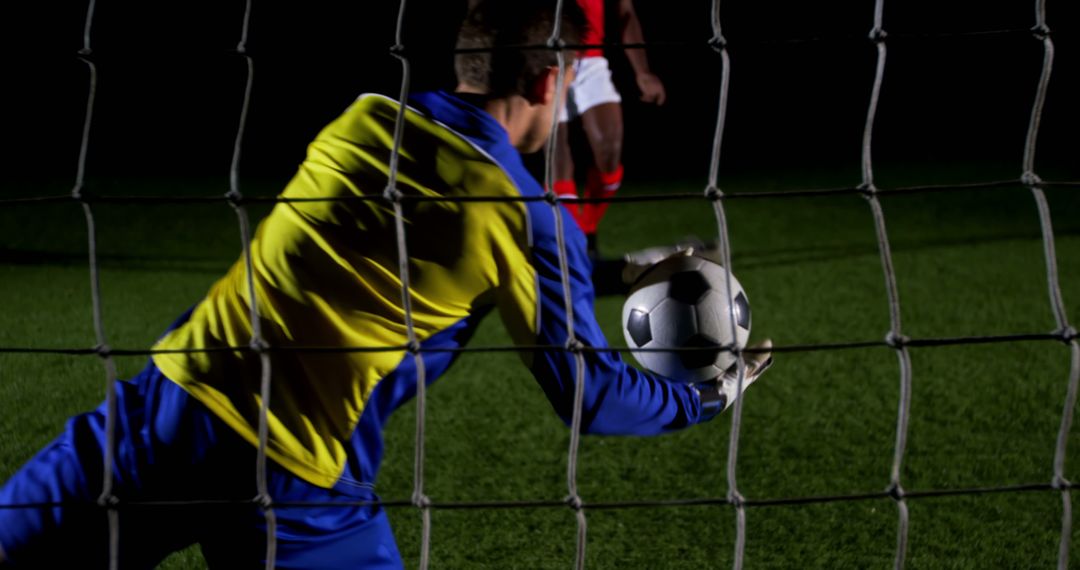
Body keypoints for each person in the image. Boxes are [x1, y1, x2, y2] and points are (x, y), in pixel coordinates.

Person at [0, 1, 770, 567]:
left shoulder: (362, 120)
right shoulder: (526, 216)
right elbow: (591, 397)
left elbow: (415, 255)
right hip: (295, 485)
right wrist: (709, 395)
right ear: (547, 83)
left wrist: (618, 272)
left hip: (167, 411)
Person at [552, 0, 667, 258]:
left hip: (591, 59)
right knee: (556, 152)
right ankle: (573, 246)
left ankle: (585, 229)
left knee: (609, 150)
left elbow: (625, 11)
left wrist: (643, 72)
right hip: (548, 58)